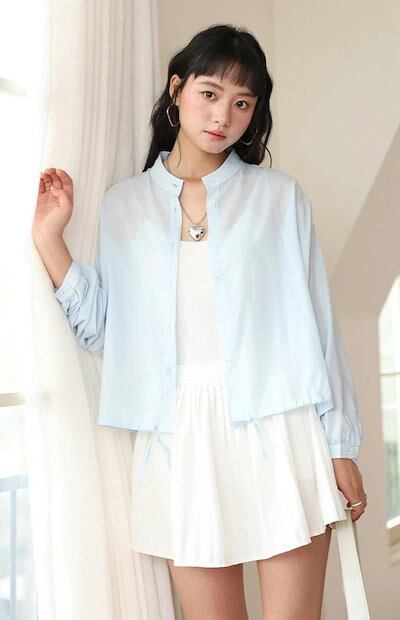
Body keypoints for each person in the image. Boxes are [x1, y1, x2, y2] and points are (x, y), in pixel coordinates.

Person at [32, 23, 367, 620]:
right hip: (177, 440)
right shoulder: (124, 203)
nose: (223, 116)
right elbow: (107, 331)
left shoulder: (279, 197)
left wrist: (340, 446)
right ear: (176, 88)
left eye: (242, 103)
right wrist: (49, 239)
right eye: (210, 93)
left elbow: (320, 329)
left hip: (281, 424)